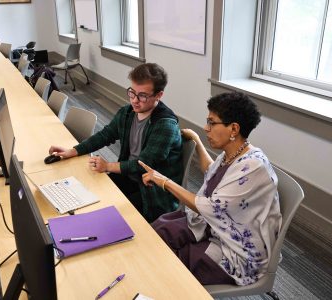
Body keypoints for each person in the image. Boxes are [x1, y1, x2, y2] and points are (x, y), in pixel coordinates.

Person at [138, 92, 282, 286]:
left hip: (237, 250)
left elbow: (210, 207)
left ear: (234, 128)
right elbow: (212, 172)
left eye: (212, 123)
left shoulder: (253, 167)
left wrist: (164, 181)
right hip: (217, 226)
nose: (206, 128)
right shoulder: (234, 153)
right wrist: (197, 141)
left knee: (175, 264)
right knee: (161, 230)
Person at [49, 63, 183, 222]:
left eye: (142, 96)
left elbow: (143, 164)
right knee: (90, 197)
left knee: (106, 215)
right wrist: (73, 151)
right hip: (129, 176)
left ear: (159, 95)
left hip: (152, 193)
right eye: (132, 92)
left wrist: (108, 167)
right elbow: (105, 135)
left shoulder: (165, 125)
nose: (134, 100)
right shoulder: (128, 112)